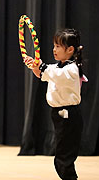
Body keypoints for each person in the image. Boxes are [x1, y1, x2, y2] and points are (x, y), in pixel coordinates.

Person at [24, 28, 87, 180]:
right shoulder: (58, 66)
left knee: (64, 157)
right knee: (61, 154)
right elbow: (43, 74)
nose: (54, 49)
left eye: (58, 46)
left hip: (69, 115)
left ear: (70, 49)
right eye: (54, 46)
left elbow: (56, 75)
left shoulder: (72, 69)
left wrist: (42, 66)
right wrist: (35, 66)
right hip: (59, 115)